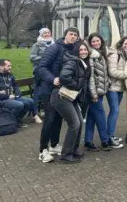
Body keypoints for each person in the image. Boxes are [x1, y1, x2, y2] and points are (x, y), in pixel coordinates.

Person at [37, 27, 79, 163]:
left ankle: (54, 145)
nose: (73, 37)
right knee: (49, 118)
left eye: (75, 35)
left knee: (58, 118)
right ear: (65, 35)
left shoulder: (73, 50)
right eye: (70, 34)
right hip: (48, 88)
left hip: (62, 90)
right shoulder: (55, 48)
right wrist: (52, 79)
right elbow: (41, 67)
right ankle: (43, 150)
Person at [51, 42, 91, 163]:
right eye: (81, 50)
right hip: (61, 96)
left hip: (71, 97)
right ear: (76, 51)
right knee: (74, 124)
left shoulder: (83, 63)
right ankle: (66, 155)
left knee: (79, 123)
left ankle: (73, 150)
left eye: (85, 50)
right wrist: (77, 85)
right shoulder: (72, 61)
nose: (83, 52)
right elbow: (64, 77)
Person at [84, 33, 112, 152]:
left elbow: (103, 72)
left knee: (91, 117)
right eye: (93, 41)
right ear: (90, 43)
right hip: (94, 92)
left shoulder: (101, 54)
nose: (96, 43)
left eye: (98, 41)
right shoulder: (92, 56)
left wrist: (108, 82)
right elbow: (90, 77)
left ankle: (88, 141)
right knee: (100, 116)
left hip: (100, 91)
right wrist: (94, 94)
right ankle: (105, 141)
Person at [106, 37, 127, 148]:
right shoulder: (115, 55)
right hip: (112, 87)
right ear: (121, 44)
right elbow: (112, 72)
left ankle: (111, 135)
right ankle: (110, 138)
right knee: (115, 111)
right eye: (125, 44)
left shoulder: (126, 56)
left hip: (120, 88)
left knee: (114, 112)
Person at [0, 59, 38, 126]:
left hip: (12, 97)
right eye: (8, 66)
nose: (10, 67)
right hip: (0, 100)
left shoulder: (9, 74)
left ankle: (17, 120)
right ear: (1, 67)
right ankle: (8, 122)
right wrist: (6, 96)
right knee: (19, 105)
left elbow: (15, 85)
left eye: (10, 66)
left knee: (30, 101)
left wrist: (17, 93)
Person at [29, 27, 55, 123]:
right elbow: (32, 58)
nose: (47, 34)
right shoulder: (37, 45)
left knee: (49, 92)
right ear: (41, 35)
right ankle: (35, 114)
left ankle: (46, 110)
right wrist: (45, 58)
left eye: (48, 32)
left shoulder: (53, 44)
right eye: (45, 33)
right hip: (39, 72)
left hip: (50, 72)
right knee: (38, 92)